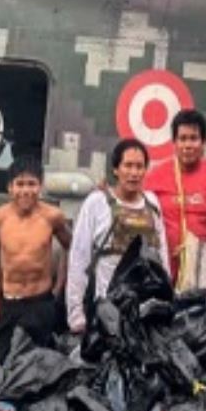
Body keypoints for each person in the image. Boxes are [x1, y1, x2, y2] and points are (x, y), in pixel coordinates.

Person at [65, 138, 172, 335]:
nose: (134, 173)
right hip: (107, 312)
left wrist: (167, 299)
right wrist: (76, 313)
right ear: (116, 169)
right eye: (128, 165)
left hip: (146, 313)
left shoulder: (153, 204)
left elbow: (162, 254)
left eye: (139, 166)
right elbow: (79, 259)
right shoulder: (97, 203)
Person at [0, 159, 72, 364]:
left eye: (31, 184)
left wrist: (58, 289)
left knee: (38, 368)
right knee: (1, 364)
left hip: (40, 302)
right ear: (10, 188)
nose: (26, 191)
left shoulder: (52, 216)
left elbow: (71, 247)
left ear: (40, 186)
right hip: (10, 303)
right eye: (20, 184)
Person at [143, 109, 206, 293]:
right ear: (174, 143)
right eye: (182, 139)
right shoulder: (155, 177)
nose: (188, 145)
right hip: (161, 274)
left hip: (202, 277)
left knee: (198, 319)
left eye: (194, 138)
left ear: (204, 143)